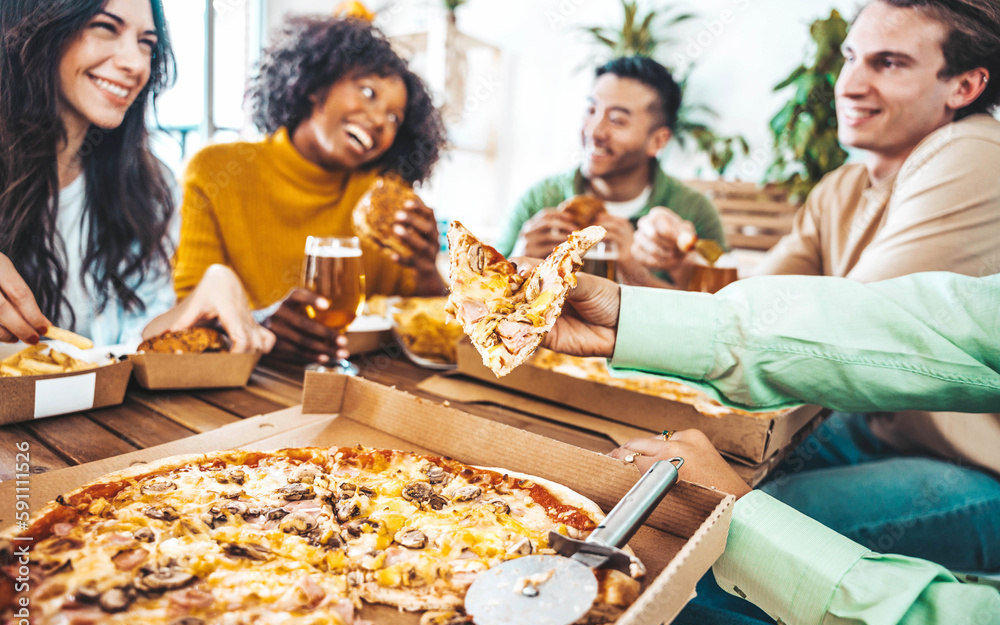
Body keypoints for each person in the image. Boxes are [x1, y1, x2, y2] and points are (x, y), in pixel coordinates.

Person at [637, 0, 1000, 571]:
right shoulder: (843, 186)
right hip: (867, 433)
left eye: (889, 63)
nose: (850, 83)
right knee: (661, 484)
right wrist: (680, 263)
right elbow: (756, 298)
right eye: (851, 57)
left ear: (965, 85)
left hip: (972, 471)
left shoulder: (976, 151)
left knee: (707, 529)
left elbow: (841, 333)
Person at [536, 267, 1000, 625]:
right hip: (876, 426)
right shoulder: (840, 190)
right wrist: (633, 319)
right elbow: (943, 324)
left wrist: (743, 521)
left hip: (977, 470)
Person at [173, 17, 448, 366]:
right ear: (315, 85)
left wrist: (424, 269)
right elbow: (187, 318)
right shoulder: (216, 171)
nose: (379, 120)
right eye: (368, 92)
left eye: (395, 117)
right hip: (240, 389)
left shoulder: (386, 200)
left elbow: (432, 329)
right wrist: (259, 326)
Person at [0, 0, 272, 352]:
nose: (136, 63)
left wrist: (201, 300)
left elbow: (129, 347)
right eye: (105, 27)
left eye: (147, 42)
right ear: (37, 27)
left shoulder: (149, 188)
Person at [496, 56, 727, 288]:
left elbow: (717, 309)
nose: (594, 130)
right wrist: (518, 260)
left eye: (617, 120)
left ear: (658, 141)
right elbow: (485, 297)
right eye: (591, 110)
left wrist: (634, 269)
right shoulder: (541, 200)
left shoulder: (693, 213)